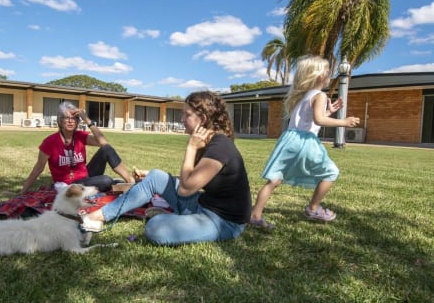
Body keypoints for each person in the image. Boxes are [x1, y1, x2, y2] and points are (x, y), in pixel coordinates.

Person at [80, 91, 252, 246]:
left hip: (223, 222)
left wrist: (191, 148)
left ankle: (173, 217)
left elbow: (185, 190)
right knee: (155, 176)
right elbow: (194, 180)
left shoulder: (220, 147)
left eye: (187, 115)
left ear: (203, 120)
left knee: (155, 228)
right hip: (201, 204)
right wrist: (155, 177)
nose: (182, 119)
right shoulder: (210, 142)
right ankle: (98, 216)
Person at [249, 55, 360, 227]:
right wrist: (343, 122)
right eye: (328, 72)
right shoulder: (320, 96)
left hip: (289, 139)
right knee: (331, 172)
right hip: (305, 142)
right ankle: (313, 208)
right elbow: (319, 121)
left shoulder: (304, 96)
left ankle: (255, 216)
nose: (330, 75)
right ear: (319, 76)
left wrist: (328, 111)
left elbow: (310, 119)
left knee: (274, 180)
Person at [20, 101, 135, 194]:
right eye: (66, 118)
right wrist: (22, 192)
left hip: (86, 177)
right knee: (106, 180)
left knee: (106, 149)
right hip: (68, 186)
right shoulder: (49, 142)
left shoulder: (80, 136)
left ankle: (130, 181)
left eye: (74, 118)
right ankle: (110, 185)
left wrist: (87, 120)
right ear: (60, 120)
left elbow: (103, 142)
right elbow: (37, 169)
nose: (70, 121)